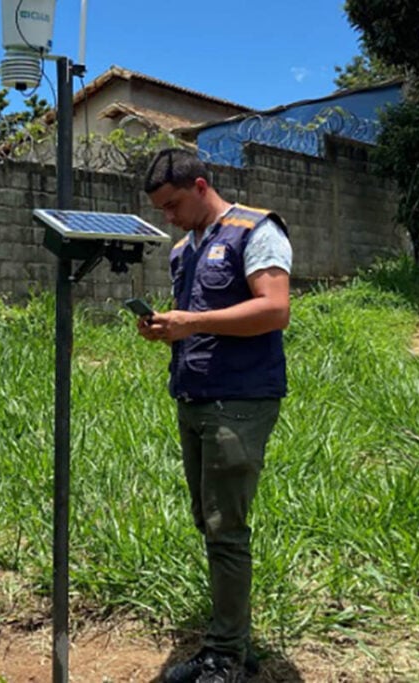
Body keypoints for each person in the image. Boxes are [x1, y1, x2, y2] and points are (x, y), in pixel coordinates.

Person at [136, 148, 291, 683]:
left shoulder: (256, 230)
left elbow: (274, 309)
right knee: (209, 521)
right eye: (162, 209)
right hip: (195, 398)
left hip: (241, 401)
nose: (169, 218)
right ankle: (234, 642)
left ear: (201, 186)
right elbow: (201, 325)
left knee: (226, 528)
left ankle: (225, 658)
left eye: (174, 204)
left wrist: (192, 321)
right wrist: (169, 330)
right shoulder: (184, 250)